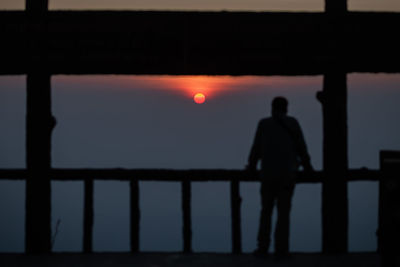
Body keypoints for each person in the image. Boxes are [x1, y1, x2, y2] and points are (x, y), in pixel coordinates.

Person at [247, 96, 313, 259]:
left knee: (266, 212)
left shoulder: (264, 124)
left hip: (268, 174)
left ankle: (263, 247)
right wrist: (308, 167)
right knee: (284, 213)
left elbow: (256, 149)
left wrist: (251, 167)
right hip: (287, 175)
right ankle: (281, 249)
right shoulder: (293, 124)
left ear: (272, 107)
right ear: (286, 108)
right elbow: (301, 148)